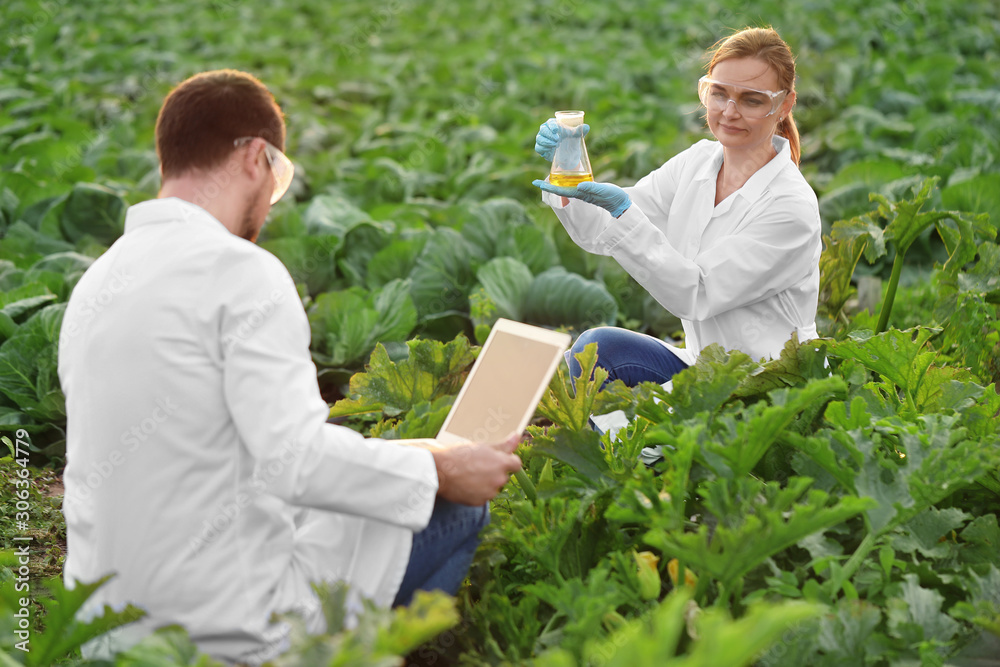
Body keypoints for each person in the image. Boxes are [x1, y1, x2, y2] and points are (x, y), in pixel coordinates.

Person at [57, 69, 522, 664]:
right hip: (222, 631)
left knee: (400, 487)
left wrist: (424, 456)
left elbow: (223, 453)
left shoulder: (99, 281)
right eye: (278, 181)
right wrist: (443, 477)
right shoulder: (240, 271)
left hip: (104, 628)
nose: (270, 206)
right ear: (256, 157)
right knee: (460, 508)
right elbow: (294, 462)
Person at [533, 27, 821, 392]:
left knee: (639, 426)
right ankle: (609, 447)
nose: (729, 112)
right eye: (719, 94)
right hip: (708, 371)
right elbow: (602, 232)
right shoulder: (698, 162)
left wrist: (625, 213)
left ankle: (632, 445)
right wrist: (568, 173)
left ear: (785, 104)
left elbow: (697, 294)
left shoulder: (789, 206)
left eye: (752, 100)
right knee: (597, 350)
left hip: (769, 387)